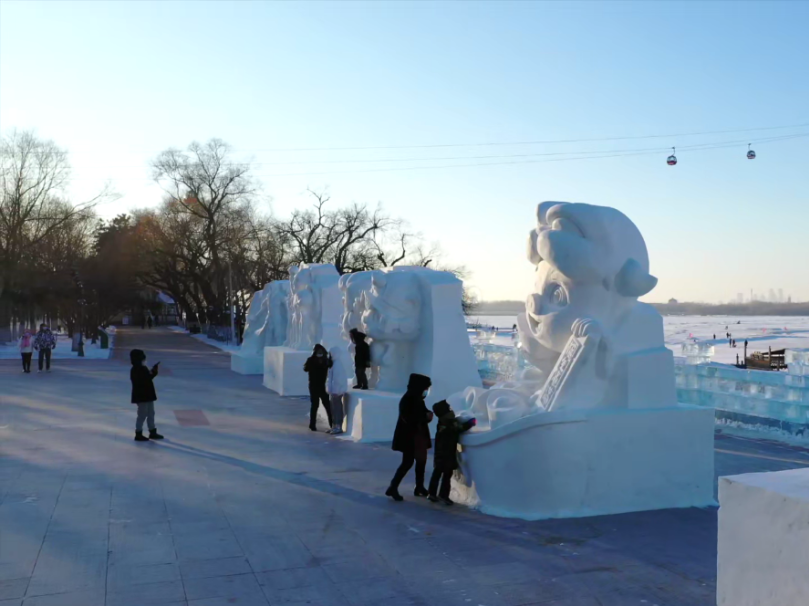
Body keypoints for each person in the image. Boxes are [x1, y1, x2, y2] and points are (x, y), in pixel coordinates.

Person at [386, 373, 434, 502]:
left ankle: (419, 486)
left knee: (421, 462)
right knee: (407, 462)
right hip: (410, 438)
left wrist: (427, 415)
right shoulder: (408, 399)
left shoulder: (417, 398)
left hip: (418, 437)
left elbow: (421, 412)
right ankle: (393, 486)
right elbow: (409, 418)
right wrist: (425, 417)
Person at [428, 400, 476, 505]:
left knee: (438, 473)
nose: (451, 410)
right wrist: (471, 423)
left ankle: (433, 493)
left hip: (441, 453)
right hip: (446, 454)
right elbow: (460, 429)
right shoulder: (448, 424)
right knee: (445, 474)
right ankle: (443, 495)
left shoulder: (443, 422)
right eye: (449, 409)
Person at [129, 349, 164, 442]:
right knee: (142, 414)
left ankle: (152, 431)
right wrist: (151, 374)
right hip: (141, 396)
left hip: (148, 394)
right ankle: (138, 433)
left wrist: (153, 372)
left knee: (151, 413)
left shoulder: (142, 368)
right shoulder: (135, 370)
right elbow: (142, 381)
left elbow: (147, 378)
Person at [303, 344, 333, 431]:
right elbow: (305, 369)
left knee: (326, 405)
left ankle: (331, 424)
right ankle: (312, 424)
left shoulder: (325, 360)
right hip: (313, 385)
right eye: (318, 352)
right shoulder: (311, 360)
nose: (320, 354)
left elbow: (330, 365)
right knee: (315, 405)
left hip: (321, 386)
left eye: (321, 352)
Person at [327, 347, 349, 435]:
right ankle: (334, 425)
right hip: (334, 391)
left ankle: (338, 426)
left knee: (337, 409)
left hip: (336, 391)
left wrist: (335, 390)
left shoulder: (337, 364)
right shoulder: (334, 363)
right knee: (333, 409)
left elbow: (338, 379)